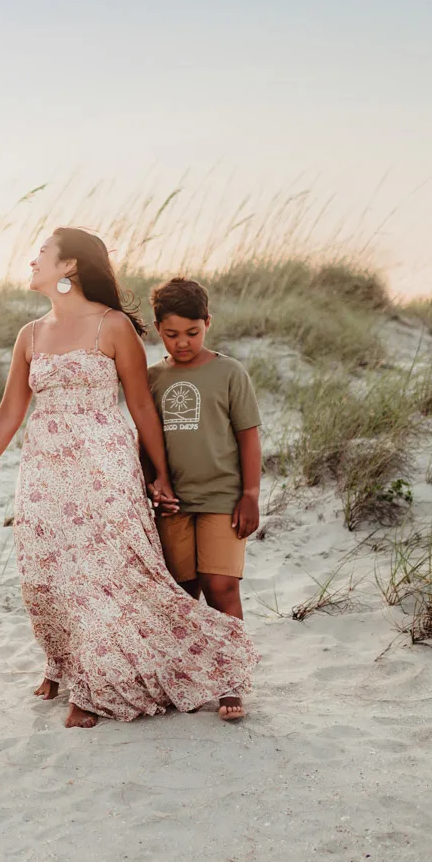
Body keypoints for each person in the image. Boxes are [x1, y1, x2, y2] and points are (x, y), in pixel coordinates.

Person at [0, 228, 259, 728]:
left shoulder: (113, 326)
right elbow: (11, 411)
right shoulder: (29, 334)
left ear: (69, 266)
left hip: (105, 471)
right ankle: (62, 663)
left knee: (103, 576)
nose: (33, 262)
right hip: (43, 472)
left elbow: (141, 404)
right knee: (45, 575)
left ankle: (94, 691)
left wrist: (160, 473)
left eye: (42, 255)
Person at [147, 277, 262, 663]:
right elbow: (147, 440)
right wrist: (152, 488)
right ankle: (189, 676)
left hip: (222, 500)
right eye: (171, 334)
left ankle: (231, 677)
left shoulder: (230, 373)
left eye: (192, 333)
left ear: (208, 323)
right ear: (158, 330)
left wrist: (250, 496)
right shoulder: (152, 378)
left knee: (221, 587)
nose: (182, 342)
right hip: (174, 504)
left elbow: (248, 437)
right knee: (182, 592)